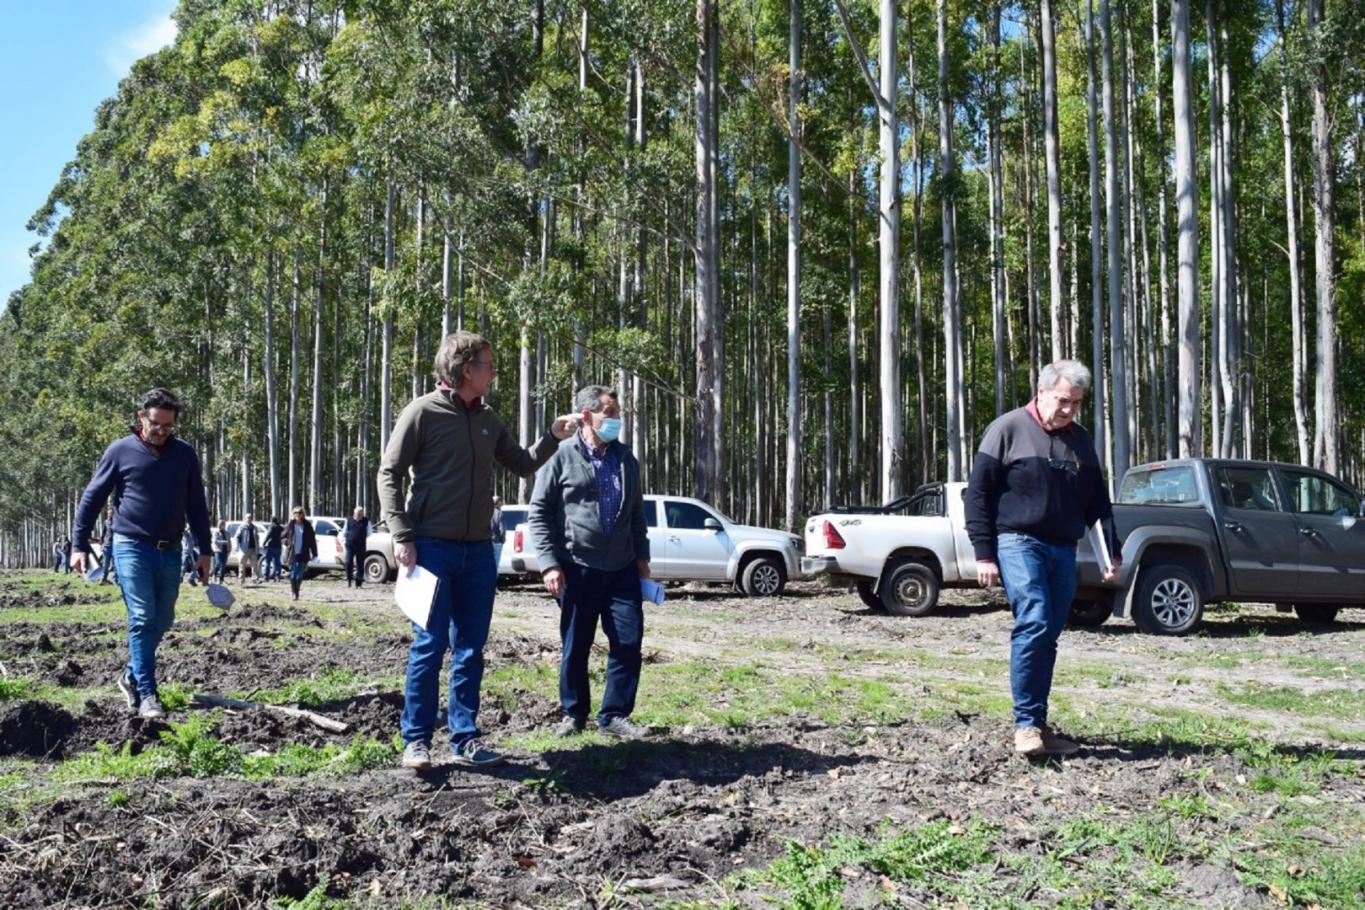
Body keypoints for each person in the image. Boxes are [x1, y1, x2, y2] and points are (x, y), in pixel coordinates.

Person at [378, 330, 577, 771]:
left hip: (478, 552)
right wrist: (401, 533)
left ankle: (464, 739)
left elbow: (522, 464)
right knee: (429, 645)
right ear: (467, 369)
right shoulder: (422, 412)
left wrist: (552, 436)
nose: (494, 373)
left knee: (471, 648)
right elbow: (389, 473)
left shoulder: (488, 419)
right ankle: (416, 741)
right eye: (488, 365)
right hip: (430, 548)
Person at [964, 360, 1121, 757]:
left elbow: (1096, 501)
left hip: (1063, 549)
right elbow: (978, 495)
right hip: (1018, 541)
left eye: (1077, 404)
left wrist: (1109, 551)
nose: (1069, 410)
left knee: (1049, 634)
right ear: (1042, 391)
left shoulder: (1080, 440)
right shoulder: (1007, 429)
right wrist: (984, 553)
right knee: (1033, 620)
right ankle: (1026, 726)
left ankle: (1038, 721)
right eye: (1064, 401)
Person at [70, 387, 211, 720]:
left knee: (163, 619)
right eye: (155, 424)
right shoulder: (120, 451)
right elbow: (92, 499)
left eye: (168, 426)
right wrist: (78, 545)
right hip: (130, 545)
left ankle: (131, 674)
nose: (161, 432)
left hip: (171, 550)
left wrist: (205, 551)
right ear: (141, 418)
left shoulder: (184, 455)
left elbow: (196, 505)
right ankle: (147, 694)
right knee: (143, 618)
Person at [529, 385, 652, 740]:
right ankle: (574, 713)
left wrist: (642, 558)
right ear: (587, 416)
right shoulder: (561, 456)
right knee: (575, 645)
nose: (616, 421)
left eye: (617, 414)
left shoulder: (626, 459)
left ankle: (615, 715)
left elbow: (636, 515)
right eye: (609, 414)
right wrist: (550, 564)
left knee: (628, 642)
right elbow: (538, 513)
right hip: (577, 567)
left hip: (622, 569)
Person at [284, 507, 317, 601]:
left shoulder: (307, 525)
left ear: (303, 514)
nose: (297, 515)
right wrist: (288, 543)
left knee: (300, 576)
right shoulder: (290, 525)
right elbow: (282, 536)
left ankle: (297, 592)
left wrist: (315, 553)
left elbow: (312, 540)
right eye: (295, 513)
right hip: (293, 553)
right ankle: (294, 592)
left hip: (303, 554)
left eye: (299, 513)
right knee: (293, 575)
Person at [343, 506, 369, 588]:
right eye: (358, 513)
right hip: (350, 545)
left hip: (361, 545)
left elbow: (369, 532)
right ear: (355, 513)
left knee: (360, 564)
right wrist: (345, 540)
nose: (360, 514)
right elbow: (344, 532)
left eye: (361, 513)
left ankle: (359, 583)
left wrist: (361, 537)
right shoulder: (349, 520)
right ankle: (349, 580)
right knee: (348, 562)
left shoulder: (366, 521)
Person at [235, 512, 262, 584]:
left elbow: (257, 538)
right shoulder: (241, 527)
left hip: (253, 549)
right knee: (242, 565)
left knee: (254, 565)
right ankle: (241, 580)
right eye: (248, 518)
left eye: (250, 518)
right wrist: (237, 547)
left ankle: (255, 579)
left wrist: (257, 548)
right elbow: (237, 537)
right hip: (244, 549)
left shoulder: (254, 528)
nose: (249, 519)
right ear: (245, 519)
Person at [98, 508, 116, 584]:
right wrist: (101, 543)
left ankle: (116, 580)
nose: (109, 515)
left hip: (115, 545)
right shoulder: (106, 522)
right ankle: (103, 578)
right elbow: (103, 533)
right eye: (108, 513)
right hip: (107, 545)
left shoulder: (116, 522)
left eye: (111, 513)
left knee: (115, 564)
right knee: (105, 563)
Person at [263, 516, 284, 581]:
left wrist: (264, 542)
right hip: (279, 546)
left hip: (271, 546)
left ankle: (266, 576)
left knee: (268, 562)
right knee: (278, 562)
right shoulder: (280, 527)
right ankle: (278, 576)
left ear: (271, 520)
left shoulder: (271, 526)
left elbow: (268, 535)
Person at [211, 520, 231, 584]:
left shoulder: (227, 533)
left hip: (225, 551)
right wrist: (224, 542)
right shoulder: (216, 532)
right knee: (218, 564)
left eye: (223, 524)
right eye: (220, 524)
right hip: (218, 550)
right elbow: (215, 541)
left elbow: (229, 541)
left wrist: (229, 548)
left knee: (223, 565)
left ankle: (221, 579)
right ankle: (214, 575)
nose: (221, 526)